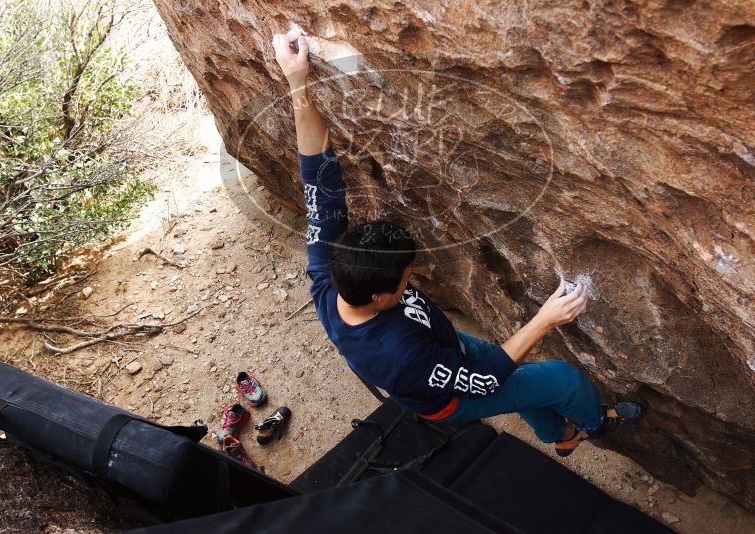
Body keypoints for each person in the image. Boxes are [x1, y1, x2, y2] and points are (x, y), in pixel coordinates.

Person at [271, 29, 643, 456]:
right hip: (452, 398)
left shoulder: (325, 273)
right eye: (406, 279)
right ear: (378, 295)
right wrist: (545, 319)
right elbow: (483, 381)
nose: (413, 278)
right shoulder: (399, 354)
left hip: (447, 348)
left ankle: (560, 436)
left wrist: (297, 82)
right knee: (560, 378)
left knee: (519, 382)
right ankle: (596, 425)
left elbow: (318, 178)